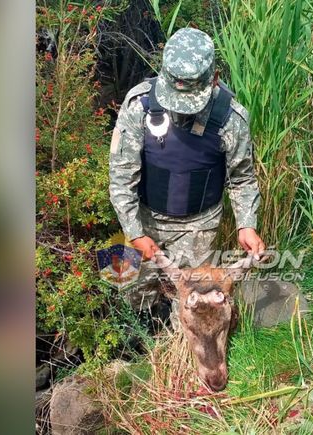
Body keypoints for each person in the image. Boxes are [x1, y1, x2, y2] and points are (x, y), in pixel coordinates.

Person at [109, 27, 265, 311]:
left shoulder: (231, 119)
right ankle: (139, 346)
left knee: (191, 305)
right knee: (130, 292)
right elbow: (121, 178)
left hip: (198, 227)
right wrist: (134, 233)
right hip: (143, 217)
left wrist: (247, 225)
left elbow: (242, 178)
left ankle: (177, 349)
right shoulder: (139, 106)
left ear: (214, 79)